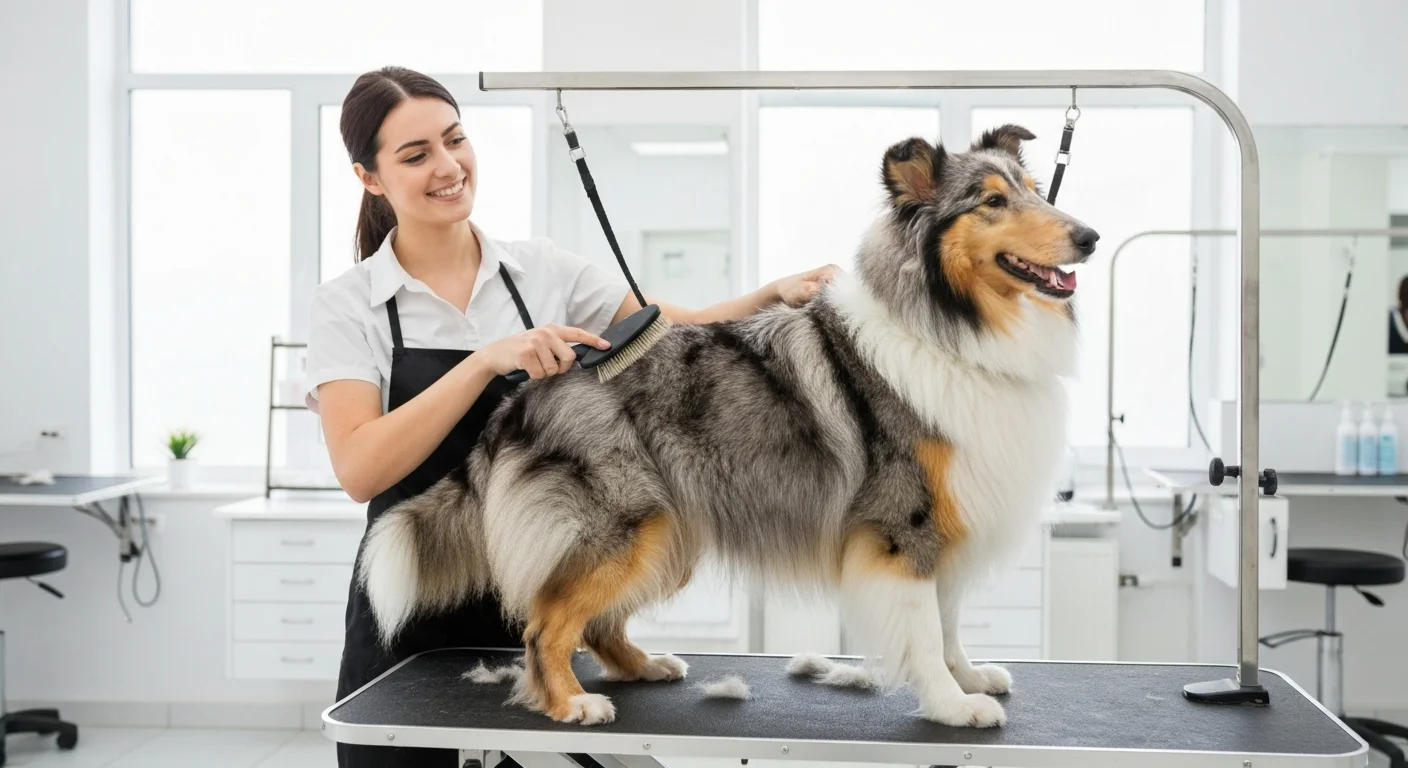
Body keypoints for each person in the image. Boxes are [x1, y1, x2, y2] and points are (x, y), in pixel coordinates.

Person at [304, 66, 837, 768]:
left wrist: (773, 294)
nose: (448, 166)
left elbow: (671, 330)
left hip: (544, 590)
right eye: (415, 155)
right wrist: (483, 362)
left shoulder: (541, 271)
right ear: (369, 178)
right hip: (416, 614)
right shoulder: (349, 305)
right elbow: (360, 468)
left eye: (454, 140)